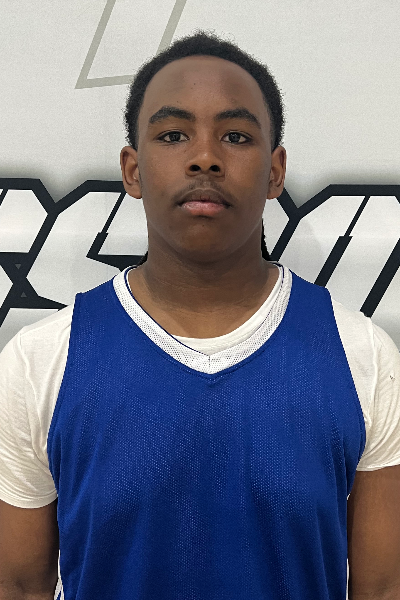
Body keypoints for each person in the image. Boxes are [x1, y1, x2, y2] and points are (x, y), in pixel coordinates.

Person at [1, 29, 400, 600]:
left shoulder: (363, 357)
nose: (205, 156)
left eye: (236, 136)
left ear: (275, 171)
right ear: (133, 170)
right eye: (173, 135)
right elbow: (19, 585)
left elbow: (383, 588)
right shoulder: (39, 362)